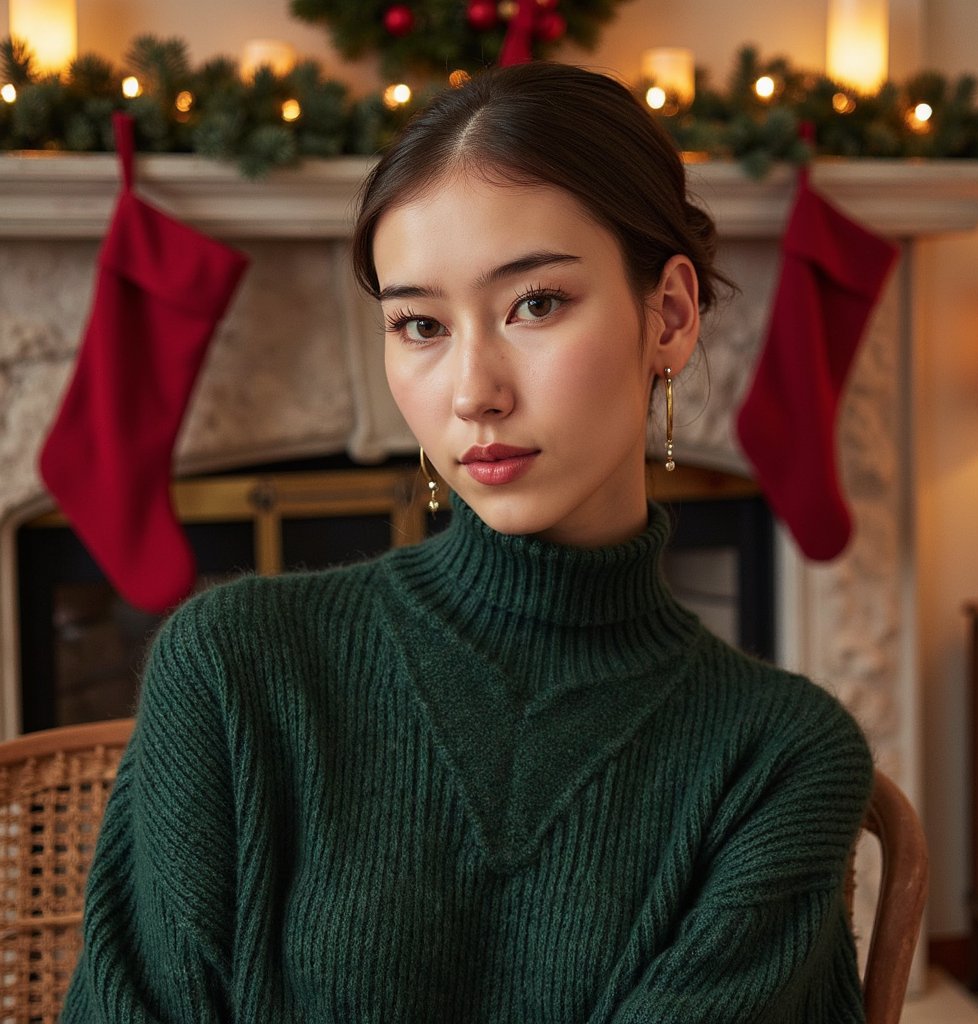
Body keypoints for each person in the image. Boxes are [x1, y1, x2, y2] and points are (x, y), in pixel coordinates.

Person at [63, 62, 874, 1024]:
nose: (472, 392)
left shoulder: (779, 757)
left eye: (536, 303)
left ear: (670, 315)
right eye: (420, 324)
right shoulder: (233, 667)